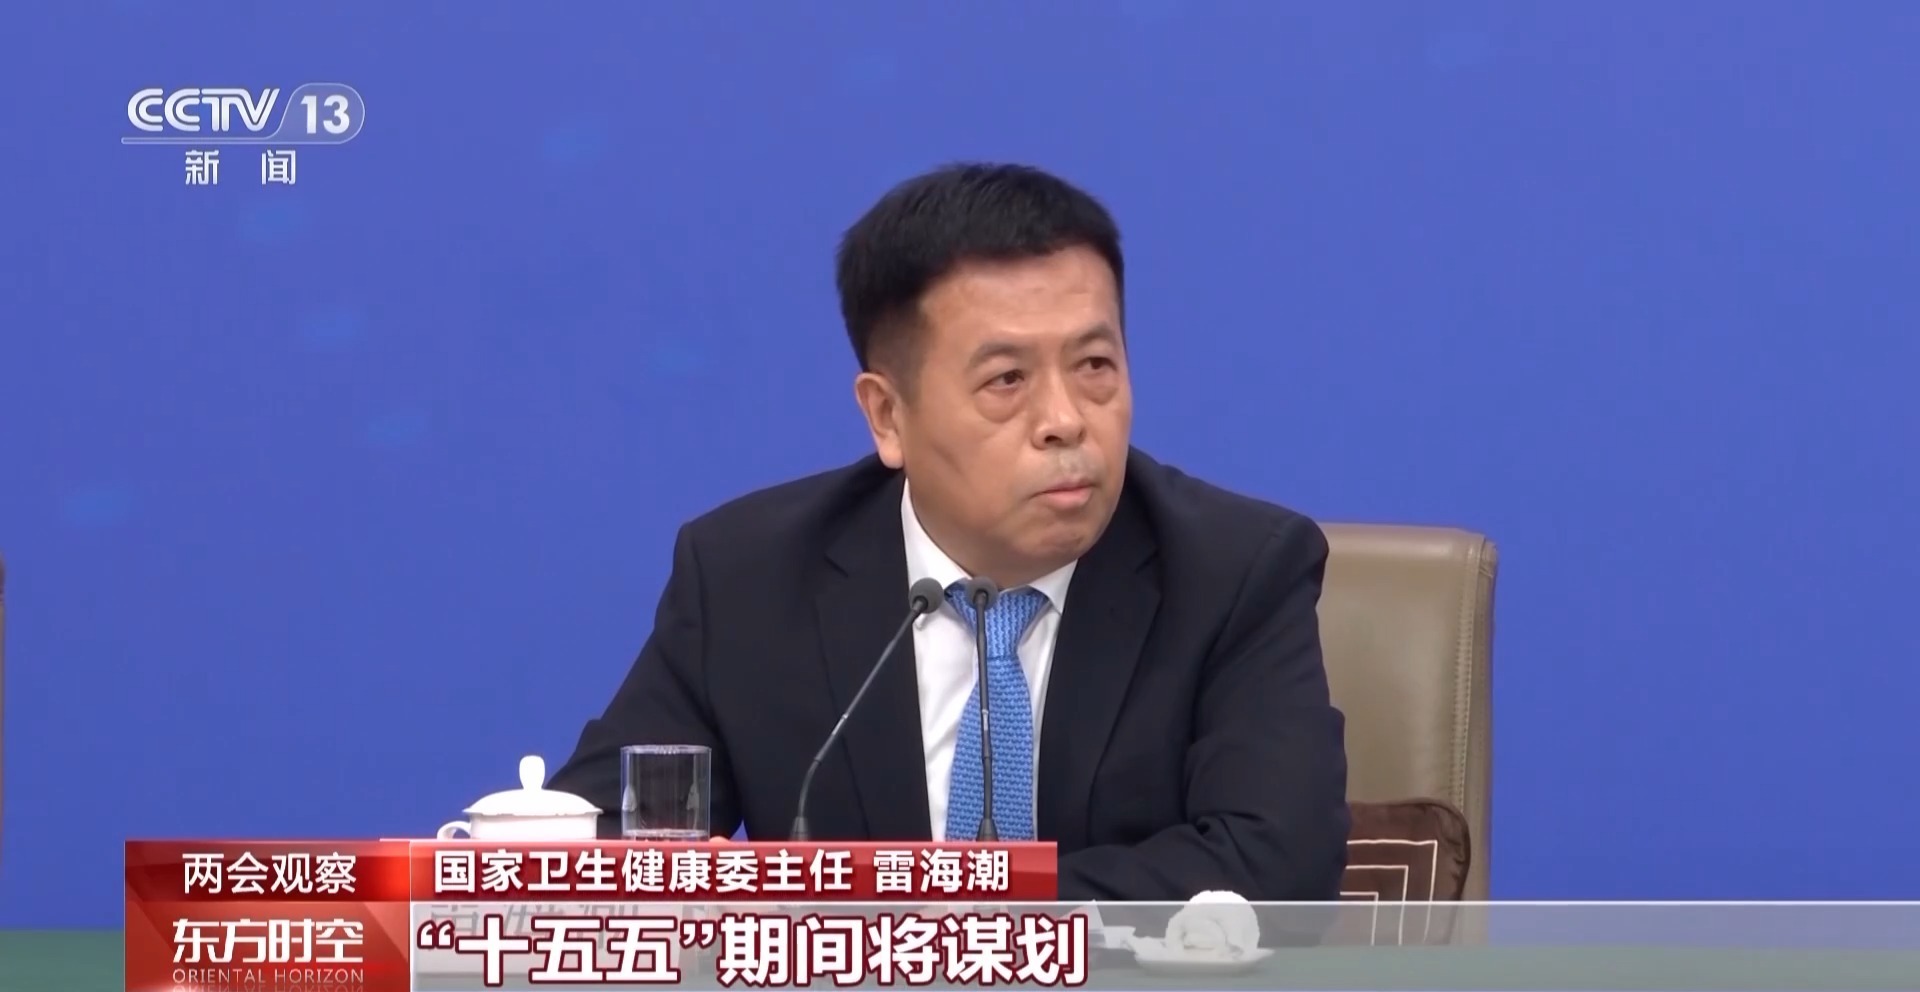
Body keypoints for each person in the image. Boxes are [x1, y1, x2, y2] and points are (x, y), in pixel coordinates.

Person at [547, 162, 1350, 902]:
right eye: (1007, 380)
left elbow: (1276, 862)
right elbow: (594, 850)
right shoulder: (749, 579)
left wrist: (948, 915)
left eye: (1094, 366)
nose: (1066, 419)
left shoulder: (1233, 571)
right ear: (888, 416)